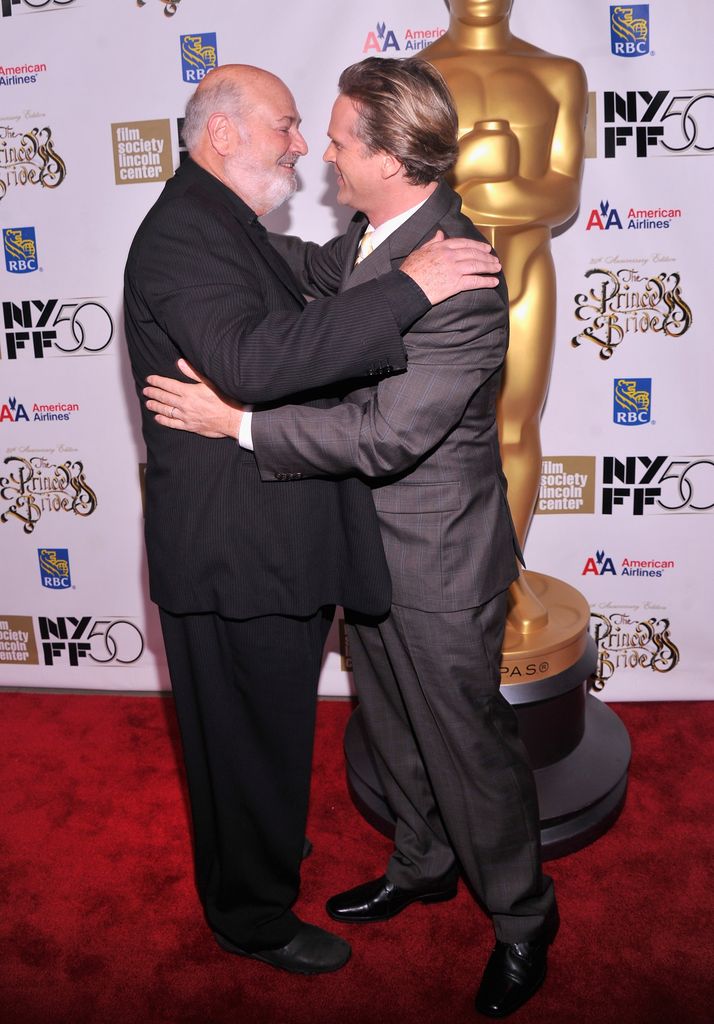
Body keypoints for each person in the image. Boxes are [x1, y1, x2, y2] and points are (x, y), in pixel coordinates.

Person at [143, 57, 557, 1018]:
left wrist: (238, 423)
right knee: (394, 729)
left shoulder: (462, 273)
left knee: (467, 742)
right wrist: (207, 230)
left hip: (441, 559)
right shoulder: (374, 239)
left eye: (336, 141)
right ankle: (421, 864)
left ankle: (525, 920)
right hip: (360, 543)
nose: (322, 154)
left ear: (389, 157)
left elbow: (387, 434)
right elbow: (294, 275)